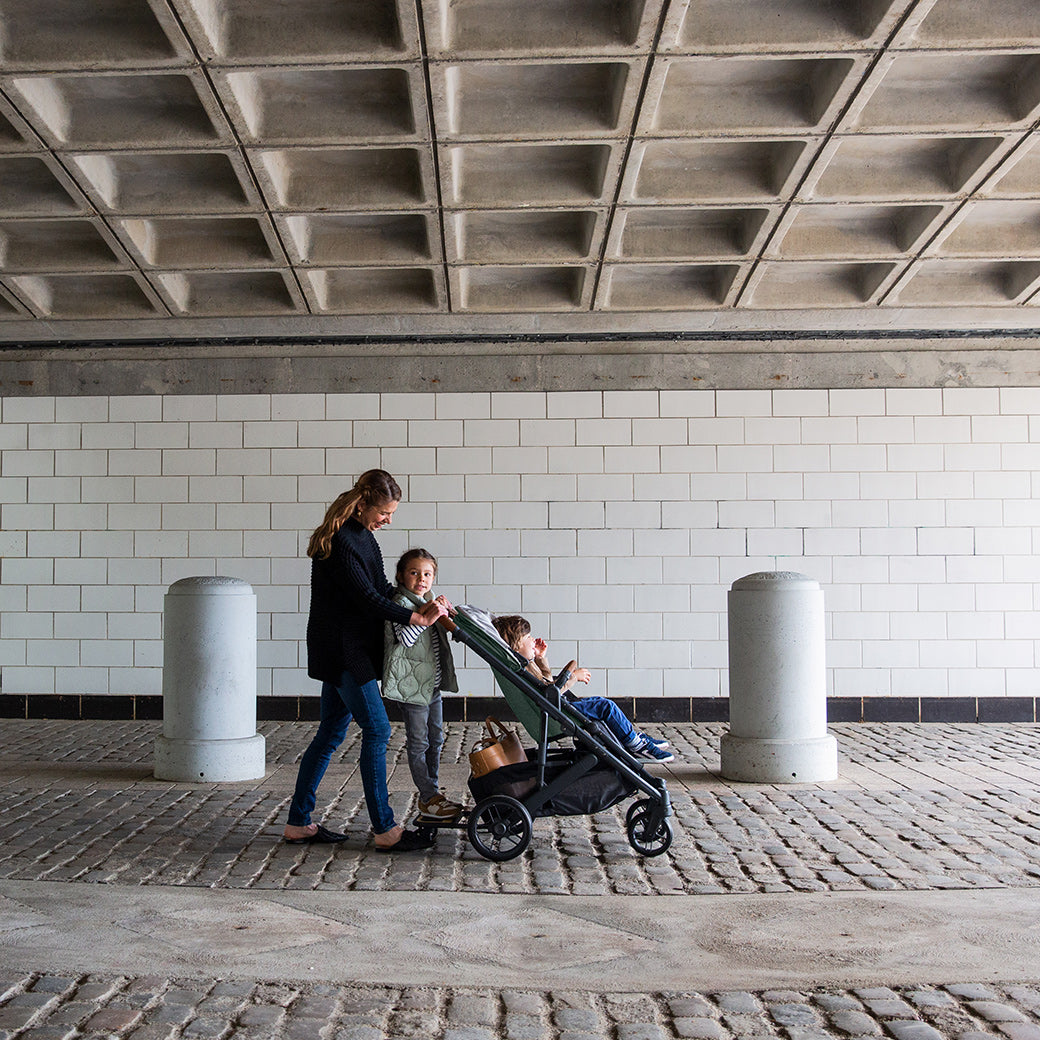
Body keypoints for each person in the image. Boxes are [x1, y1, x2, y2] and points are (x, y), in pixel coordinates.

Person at [283, 469, 449, 852]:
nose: (388, 520)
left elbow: (382, 589)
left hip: (346, 648)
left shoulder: (364, 538)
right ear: (364, 504)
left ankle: (298, 822)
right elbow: (366, 599)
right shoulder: (342, 541)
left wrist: (423, 602)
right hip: (343, 651)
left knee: (330, 733)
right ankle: (385, 829)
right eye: (384, 512)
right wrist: (416, 618)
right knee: (377, 730)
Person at [491, 614, 674, 762]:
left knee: (599, 704)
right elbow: (550, 693)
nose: (533, 641)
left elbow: (545, 683)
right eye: (528, 638)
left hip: (552, 710)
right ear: (516, 645)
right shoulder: (522, 667)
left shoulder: (523, 663)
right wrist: (573, 677)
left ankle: (632, 737)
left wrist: (540, 659)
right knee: (605, 706)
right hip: (555, 713)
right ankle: (636, 745)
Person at [383, 548, 462, 821]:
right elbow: (404, 639)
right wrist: (427, 616)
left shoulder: (426, 601)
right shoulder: (399, 605)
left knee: (436, 739)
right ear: (401, 576)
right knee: (418, 743)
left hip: (432, 687)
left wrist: (445, 612)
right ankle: (428, 795)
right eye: (414, 573)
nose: (421, 579)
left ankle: (434, 792)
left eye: (427, 574)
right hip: (412, 688)